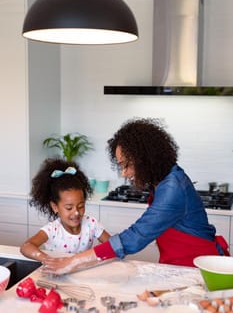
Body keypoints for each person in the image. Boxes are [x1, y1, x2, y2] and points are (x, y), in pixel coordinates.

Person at [41, 118, 230, 275]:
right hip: (176, 264)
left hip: (196, 268)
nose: (124, 173)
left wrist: (73, 261)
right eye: (121, 165)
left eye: (127, 165)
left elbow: (136, 236)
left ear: (146, 159)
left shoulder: (173, 188)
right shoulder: (163, 178)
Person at [20, 158, 110, 262]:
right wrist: (47, 260)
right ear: (55, 207)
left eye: (81, 206)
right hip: (57, 276)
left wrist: (98, 256)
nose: (76, 212)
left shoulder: (91, 224)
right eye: (69, 208)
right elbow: (26, 247)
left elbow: (113, 245)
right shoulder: (52, 230)